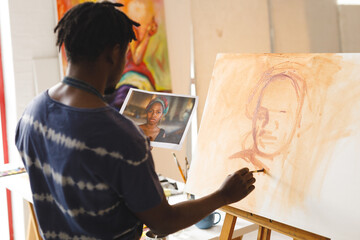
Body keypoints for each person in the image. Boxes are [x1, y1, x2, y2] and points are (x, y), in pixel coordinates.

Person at [15, 2, 255, 239]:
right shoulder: (121, 136)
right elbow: (163, 223)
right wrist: (223, 195)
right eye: (126, 53)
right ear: (114, 52)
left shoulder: (31, 114)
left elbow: (69, 183)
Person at [229, 65, 306, 173]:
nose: (268, 126)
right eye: (261, 115)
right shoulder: (233, 165)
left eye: (280, 116)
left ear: (298, 121)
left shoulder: (300, 170)